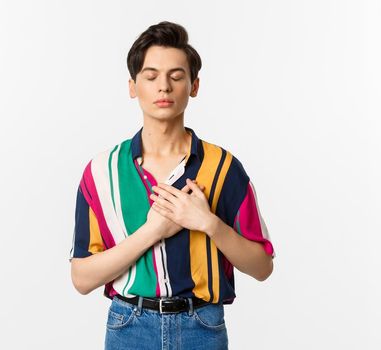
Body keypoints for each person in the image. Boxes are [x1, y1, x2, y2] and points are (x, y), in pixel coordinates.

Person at [69, 21, 275, 350]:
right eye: (151, 77)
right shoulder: (100, 172)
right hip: (129, 326)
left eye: (176, 76)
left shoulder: (222, 168)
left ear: (194, 86)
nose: (163, 87)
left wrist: (208, 223)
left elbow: (262, 266)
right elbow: (81, 278)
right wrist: (152, 232)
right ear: (133, 86)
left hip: (203, 326)